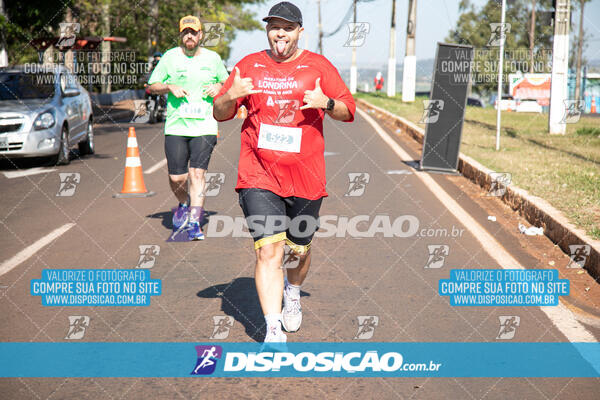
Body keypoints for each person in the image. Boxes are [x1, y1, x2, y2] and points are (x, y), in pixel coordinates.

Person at [213, 1, 355, 342]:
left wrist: (327, 104)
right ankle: (272, 328)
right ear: (267, 30)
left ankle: (293, 290)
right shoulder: (249, 66)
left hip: (306, 177)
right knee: (268, 251)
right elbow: (219, 112)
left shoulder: (319, 67)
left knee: (298, 250)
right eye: (275, 26)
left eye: (288, 27)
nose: (281, 33)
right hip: (258, 174)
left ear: (299, 32)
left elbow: (349, 110)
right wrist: (230, 95)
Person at [148, 15, 228, 240]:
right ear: (181, 35)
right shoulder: (169, 57)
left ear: (201, 35)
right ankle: (183, 203)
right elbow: (152, 85)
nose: (190, 36)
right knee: (177, 178)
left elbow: (226, 81)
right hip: (176, 126)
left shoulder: (213, 58)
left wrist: (217, 86)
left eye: (194, 32)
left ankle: (194, 221)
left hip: (205, 125)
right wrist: (168, 86)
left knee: (197, 173)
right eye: (186, 32)